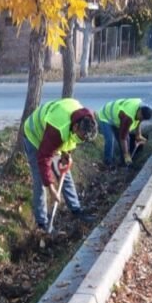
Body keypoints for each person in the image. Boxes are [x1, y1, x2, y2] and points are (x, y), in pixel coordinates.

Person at [22, 97, 99, 231]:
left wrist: (66, 153)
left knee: (65, 173)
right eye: (80, 136)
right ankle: (43, 223)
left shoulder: (86, 120)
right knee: (40, 180)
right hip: (34, 136)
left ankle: (76, 210)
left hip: (53, 139)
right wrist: (51, 189)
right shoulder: (58, 129)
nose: (80, 140)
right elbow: (43, 157)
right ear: (75, 127)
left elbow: (72, 139)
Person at [97, 99, 152, 168]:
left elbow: (138, 121)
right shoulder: (127, 117)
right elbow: (122, 138)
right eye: (141, 117)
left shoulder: (141, 108)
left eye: (143, 119)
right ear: (139, 111)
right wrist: (126, 154)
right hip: (105, 116)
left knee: (128, 139)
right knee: (110, 139)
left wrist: (138, 135)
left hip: (117, 118)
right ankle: (108, 163)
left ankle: (123, 163)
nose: (141, 120)